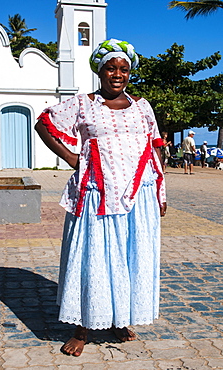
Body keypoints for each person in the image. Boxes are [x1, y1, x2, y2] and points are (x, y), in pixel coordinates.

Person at [35, 38, 167, 357]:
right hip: (97, 193)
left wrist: (161, 191)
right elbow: (44, 124)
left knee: (130, 257)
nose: (117, 74)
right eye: (111, 68)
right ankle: (82, 327)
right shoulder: (82, 104)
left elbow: (156, 146)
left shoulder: (142, 106)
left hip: (140, 194)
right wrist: (72, 158)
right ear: (100, 70)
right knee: (93, 257)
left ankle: (119, 319)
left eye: (123, 69)